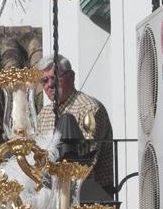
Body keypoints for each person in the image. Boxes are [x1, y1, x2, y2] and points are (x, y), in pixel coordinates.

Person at [36, 55, 115, 199]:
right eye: (45, 80)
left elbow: (85, 165)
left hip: (90, 201)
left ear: (71, 77)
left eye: (55, 78)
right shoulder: (45, 113)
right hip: (55, 196)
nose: (50, 84)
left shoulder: (89, 109)